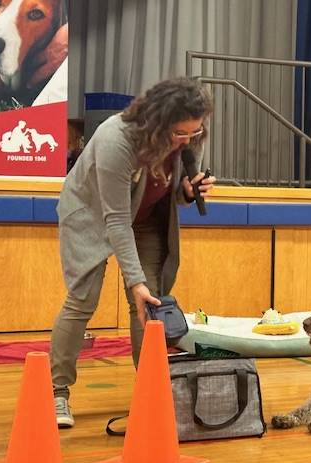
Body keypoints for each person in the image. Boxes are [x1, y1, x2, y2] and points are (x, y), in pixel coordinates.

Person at [50, 77, 215, 427]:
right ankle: (57, 393)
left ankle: (150, 390)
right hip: (92, 214)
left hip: (146, 215)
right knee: (83, 299)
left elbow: (175, 192)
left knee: (150, 302)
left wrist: (187, 192)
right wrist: (134, 281)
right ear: (158, 122)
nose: (187, 140)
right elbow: (115, 219)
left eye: (194, 132)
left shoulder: (191, 134)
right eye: (180, 134)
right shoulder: (116, 139)